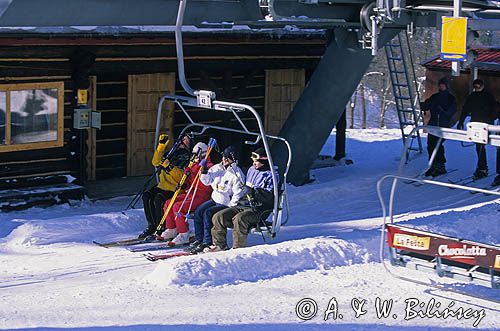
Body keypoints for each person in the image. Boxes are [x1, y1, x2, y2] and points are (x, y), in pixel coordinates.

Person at [206, 147, 278, 252]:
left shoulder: (272, 175)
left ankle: (238, 248)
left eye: (256, 161)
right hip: (243, 204)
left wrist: (253, 192)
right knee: (218, 216)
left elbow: (269, 197)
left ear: (264, 160)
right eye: (253, 161)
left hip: (258, 209)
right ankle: (219, 245)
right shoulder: (251, 170)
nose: (254, 163)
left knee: (239, 219)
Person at [187, 145, 246, 254]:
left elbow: (238, 193)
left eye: (227, 158)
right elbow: (207, 181)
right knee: (199, 212)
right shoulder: (217, 168)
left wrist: (232, 207)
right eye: (223, 157)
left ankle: (208, 242)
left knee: (208, 214)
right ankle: (199, 239)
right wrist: (204, 171)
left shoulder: (237, 174)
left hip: (225, 203)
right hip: (215, 199)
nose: (223, 160)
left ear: (232, 159)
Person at [160, 142, 214, 246]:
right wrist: (184, 183)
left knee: (178, 207)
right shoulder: (193, 165)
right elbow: (189, 181)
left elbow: (205, 184)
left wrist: (197, 172)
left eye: (196, 155)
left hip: (201, 196)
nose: (194, 157)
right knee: (168, 203)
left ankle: (184, 233)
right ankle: (172, 228)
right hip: (190, 193)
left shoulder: (209, 167)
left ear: (202, 154)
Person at [138, 134, 191, 239]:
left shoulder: (189, 157)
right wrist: (161, 147)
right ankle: (152, 225)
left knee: (159, 199)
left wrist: (169, 167)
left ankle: (162, 227)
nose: (182, 141)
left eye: (186, 140)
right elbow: (155, 162)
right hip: (163, 185)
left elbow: (181, 177)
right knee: (147, 196)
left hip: (175, 188)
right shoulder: (172, 153)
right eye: (182, 139)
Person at [457, 79, 498, 180]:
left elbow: (495, 108)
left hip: (485, 124)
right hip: (475, 123)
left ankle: (482, 168)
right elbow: (466, 108)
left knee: (482, 145)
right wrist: (461, 121)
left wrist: (491, 120)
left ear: (482, 86)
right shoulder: (472, 96)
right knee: (479, 146)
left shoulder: (488, 96)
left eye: (478, 86)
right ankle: (482, 167)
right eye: (475, 87)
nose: (477, 88)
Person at [420, 77, 457, 177]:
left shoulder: (450, 98)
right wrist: (422, 105)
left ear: (446, 86)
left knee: (438, 145)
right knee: (430, 145)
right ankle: (431, 165)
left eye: (443, 85)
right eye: (440, 85)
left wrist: (441, 110)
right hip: (433, 124)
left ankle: (440, 166)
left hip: (443, 125)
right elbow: (426, 105)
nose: (441, 87)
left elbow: (450, 111)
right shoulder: (435, 97)